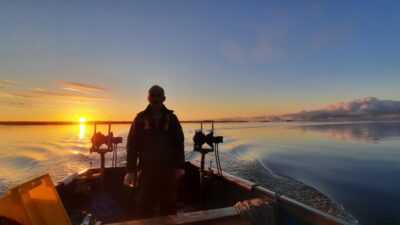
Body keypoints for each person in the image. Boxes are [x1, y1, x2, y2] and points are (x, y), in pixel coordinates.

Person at [124, 85, 185, 218]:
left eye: (158, 95)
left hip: (168, 169)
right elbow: (131, 146)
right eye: (152, 95)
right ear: (148, 98)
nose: (155, 98)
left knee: (169, 203)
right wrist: (131, 170)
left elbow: (179, 144)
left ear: (164, 98)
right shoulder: (139, 119)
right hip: (146, 169)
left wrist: (180, 166)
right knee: (143, 203)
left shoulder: (172, 119)